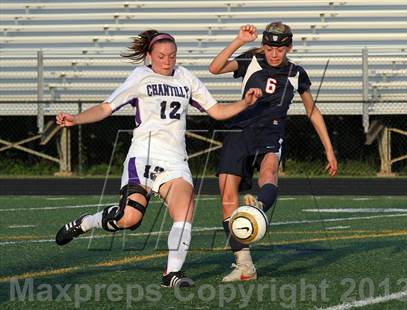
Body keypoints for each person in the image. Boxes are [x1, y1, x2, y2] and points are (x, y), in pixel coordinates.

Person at [55, 30, 261, 288]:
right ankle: (86, 222)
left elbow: (217, 111)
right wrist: (76, 119)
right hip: (142, 157)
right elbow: (106, 108)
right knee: (129, 219)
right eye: (161, 56)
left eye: (172, 56)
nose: (167, 61)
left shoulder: (185, 77)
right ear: (150, 56)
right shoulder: (140, 76)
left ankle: (171, 274)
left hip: (175, 162)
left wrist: (245, 103)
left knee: (185, 210)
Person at [208, 22, 337, 282]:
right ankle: (244, 265)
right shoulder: (250, 60)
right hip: (240, 130)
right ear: (264, 47)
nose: (274, 54)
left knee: (269, 171)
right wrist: (239, 41)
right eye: (269, 48)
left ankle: (259, 206)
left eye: (279, 49)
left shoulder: (296, 73)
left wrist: (329, 151)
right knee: (227, 195)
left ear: (289, 47)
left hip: (271, 132)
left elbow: (312, 112)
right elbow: (214, 68)